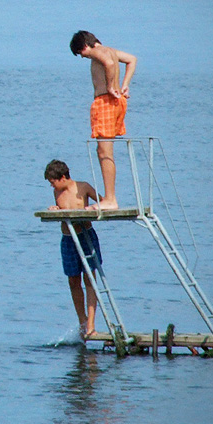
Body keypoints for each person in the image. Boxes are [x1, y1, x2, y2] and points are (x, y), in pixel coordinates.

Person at [69, 30, 137, 209]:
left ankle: (110, 200)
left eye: (81, 53)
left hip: (105, 102)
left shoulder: (97, 52)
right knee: (105, 151)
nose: (83, 57)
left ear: (84, 45)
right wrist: (124, 85)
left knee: (104, 152)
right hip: (117, 102)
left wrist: (109, 86)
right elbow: (132, 59)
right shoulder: (111, 50)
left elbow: (107, 63)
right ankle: (110, 198)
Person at [44, 159, 102, 338]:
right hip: (68, 239)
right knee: (73, 281)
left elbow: (103, 201)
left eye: (53, 182)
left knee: (89, 279)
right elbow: (62, 209)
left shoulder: (83, 187)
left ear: (62, 177)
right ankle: (82, 322)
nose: (52, 186)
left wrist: (91, 208)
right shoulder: (57, 192)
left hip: (85, 236)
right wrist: (55, 208)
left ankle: (91, 324)